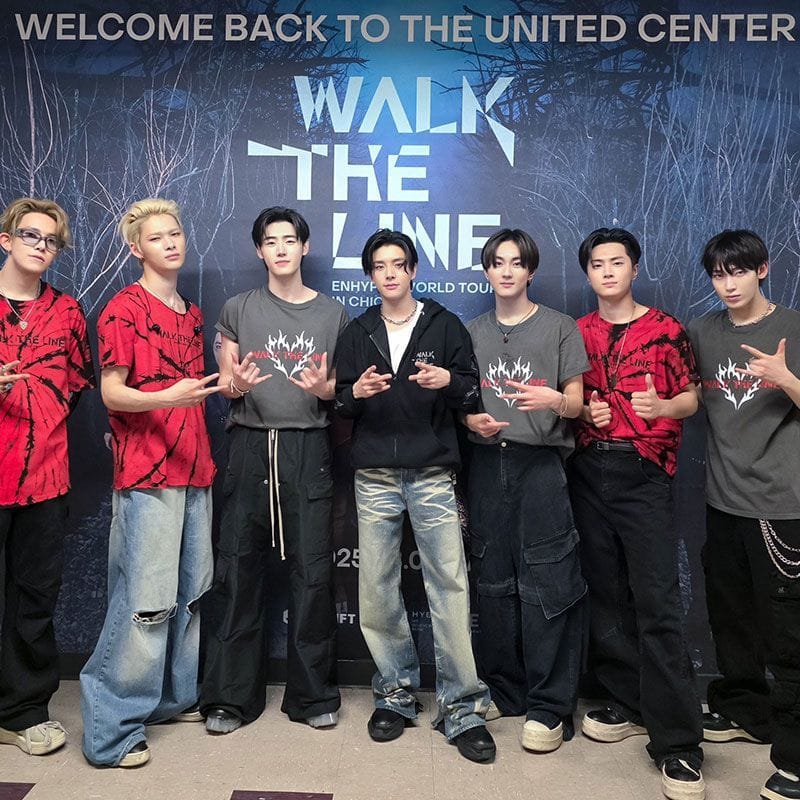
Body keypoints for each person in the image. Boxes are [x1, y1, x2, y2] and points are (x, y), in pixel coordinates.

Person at [334, 229, 495, 764]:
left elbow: (471, 390)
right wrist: (355, 393)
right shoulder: (358, 330)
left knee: (449, 585)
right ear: (370, 275)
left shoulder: (444, 325)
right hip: (375, 474)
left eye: (398, 264)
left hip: (431, 472)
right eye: (379, 266)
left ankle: (462, 706)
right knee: (377, 587)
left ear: (413, 269)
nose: (389, 273)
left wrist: (448, 380)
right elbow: (340, 402)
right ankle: (395, 694)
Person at [80, 198, 219, 768]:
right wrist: (168, 396)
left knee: (190, 594)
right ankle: (111, 731)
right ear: (136, 248)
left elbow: (193, 393)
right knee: (144, 601)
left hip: (195, 467)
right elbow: (112, 393)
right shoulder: (122, 309)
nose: (171, 243)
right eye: (158, 237)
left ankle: (169, 700)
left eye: (176, 233)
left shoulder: (191, 312)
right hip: (146, 472)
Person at [569, 227, 705, 799]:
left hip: (645, 473)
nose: (607, 271)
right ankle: (628, 700)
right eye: (597, 264)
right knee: (606, 594)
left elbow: (692, 398)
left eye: (617, 262)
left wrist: (661, 405)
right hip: (588, 469)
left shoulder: (667, 329)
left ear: (634, 267)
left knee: (657, 603)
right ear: (588, 273)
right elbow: (571, 401)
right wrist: (587, 415)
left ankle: (678, 744)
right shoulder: (576, 332)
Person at [200, 207, 346, 734]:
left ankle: (312, 695)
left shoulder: (332, 314)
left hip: (308, 447)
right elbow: (227, 381)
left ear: (305, 247)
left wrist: (325, 391)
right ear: (259, 250)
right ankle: (230, 697)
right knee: (238, 569)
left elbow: (339, 389)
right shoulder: (238, 308)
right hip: (250, 444)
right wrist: (235, 385)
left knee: (313, 573)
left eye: (289, 239)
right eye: (270, 241)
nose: (281, 248)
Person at [464, 228, 587, 753]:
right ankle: (503, 690)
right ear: (487, 271)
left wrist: (554, 400)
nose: (507, 271)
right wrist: (473, 423)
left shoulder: (560, 327)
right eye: (498, 262)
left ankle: (549, 707)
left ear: (531, 271)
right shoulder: (471, 331)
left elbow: (578, 405)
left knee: (548, 583)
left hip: (541, 465)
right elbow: (462, 405)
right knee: (492, 582)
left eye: (517, 262)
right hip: (487, 464)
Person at [688, 230, 800, 800]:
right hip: (722, 501)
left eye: (738, 271)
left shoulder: (794, 328)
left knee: (789, 635)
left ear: (762, 269)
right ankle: (745, 711)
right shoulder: (703, 332)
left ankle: (796, 760)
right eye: (718, 274)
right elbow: (687, 395)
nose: (728, 284)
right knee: (730, 618)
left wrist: (787, 379)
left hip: (781, 506)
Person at [0, 198, 94, 756]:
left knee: (34, 598)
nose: (41, 246)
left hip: (44, 478)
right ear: (6, 239)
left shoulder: (67, 312)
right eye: (30, 235)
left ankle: (23, 712)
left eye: (51, 240)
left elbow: (77, 384)